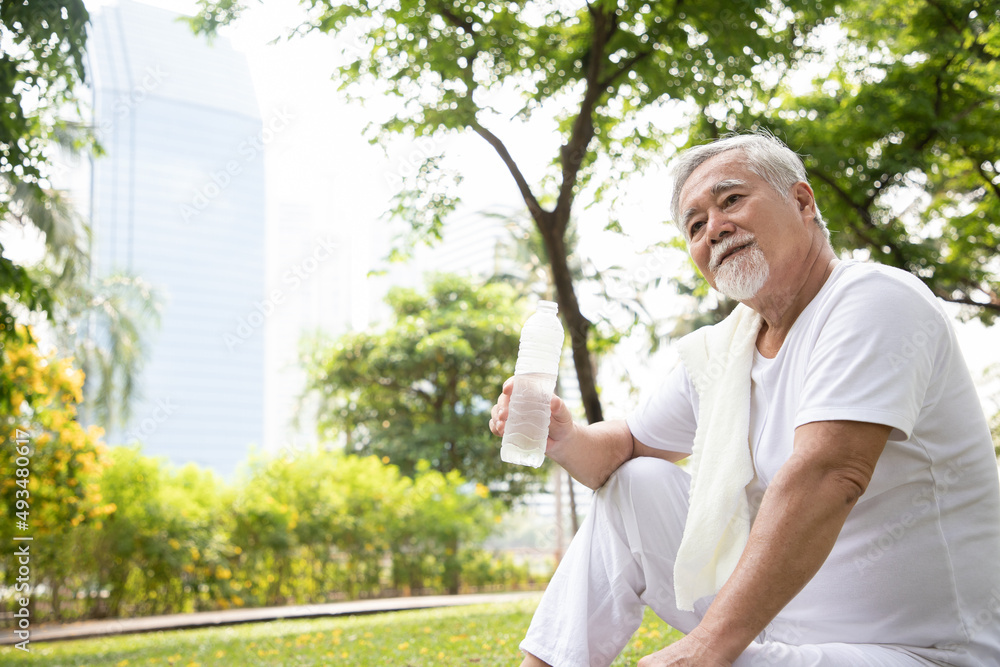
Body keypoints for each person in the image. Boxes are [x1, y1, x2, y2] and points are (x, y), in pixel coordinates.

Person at [489, 131, 1000, 667]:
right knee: (635, 483)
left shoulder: (874, 299)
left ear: (802, 201)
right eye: (695, 225)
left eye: (731, 200)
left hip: (922, 653)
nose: (714, 228)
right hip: (787, 633)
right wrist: (565, 437)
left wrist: (708, 646)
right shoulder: (727, 349)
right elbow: (626, 448)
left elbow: (829, 474)